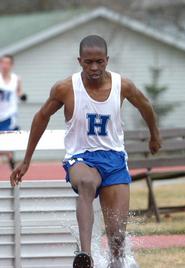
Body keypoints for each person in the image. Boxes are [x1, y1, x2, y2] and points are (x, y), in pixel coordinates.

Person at [10, 35, 161, 268]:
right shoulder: (66, 88)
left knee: (117, 239)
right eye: (88, 62)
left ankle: (115, 263)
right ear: (79, 60)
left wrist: (154, 136)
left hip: (114, 159)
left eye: (99, 62)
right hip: (81, 158)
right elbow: (41, 117)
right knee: (87, 184)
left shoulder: (123, 86)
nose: (94, 67)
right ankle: (86, 256)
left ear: (107, 60)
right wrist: (27, 160)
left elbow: (146, 106)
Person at [0, 54, 27, 169]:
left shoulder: (16, 79)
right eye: (3, 63)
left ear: (11, 65)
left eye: (7, 63)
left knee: (5, 143)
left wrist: (22, 96)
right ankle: (10, 156)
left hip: (9, 116)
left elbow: (19, 92)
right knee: (4, 147)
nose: (5, 66)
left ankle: (10, 156)